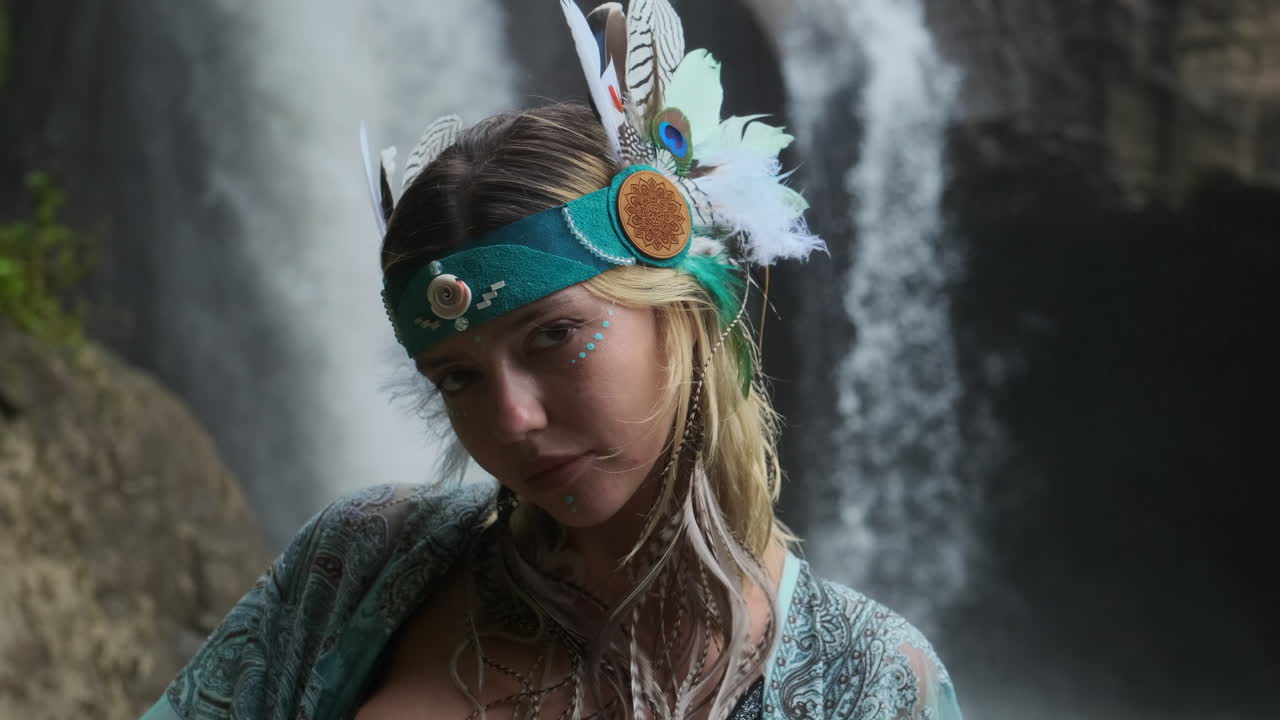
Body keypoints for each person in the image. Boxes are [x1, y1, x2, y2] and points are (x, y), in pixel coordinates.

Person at [140, 1, 962, 718]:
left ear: (680, 306)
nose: (511, 421)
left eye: (553, 337)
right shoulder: (360, 561)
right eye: (457, 377)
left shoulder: (872, 683)